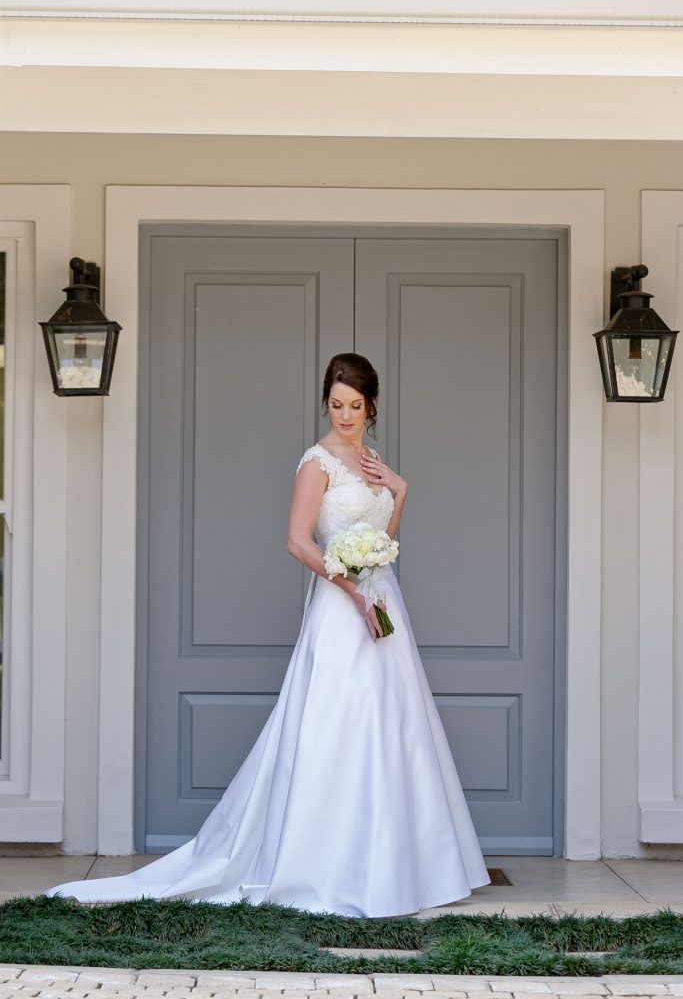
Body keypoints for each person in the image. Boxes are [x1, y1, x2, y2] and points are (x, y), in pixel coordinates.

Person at [44, 352, 490, 917]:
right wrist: (347, 584)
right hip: (341, 606)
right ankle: (321, 866)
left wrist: (401, 493)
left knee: (393, 725)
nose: (345, 414)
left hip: (380, 602)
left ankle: (396, 866)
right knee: (337, 722)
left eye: (355, 405)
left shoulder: (373, 460)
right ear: (326, 401)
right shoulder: (317, 460)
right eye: (336, 403)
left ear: (371, 405)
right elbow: (298, 540)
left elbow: (383, 537)